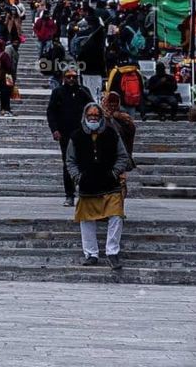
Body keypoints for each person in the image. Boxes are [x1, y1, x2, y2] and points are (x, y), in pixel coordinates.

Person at [66, 102, 128, 269]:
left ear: (101, 118)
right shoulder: (76, 136)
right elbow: (70, 161)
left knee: (116, 216)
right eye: (90, 116)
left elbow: (123, 157)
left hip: (110, 184)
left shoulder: (111, 134)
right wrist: (78, 177)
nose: (93, 119)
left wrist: (114, 173)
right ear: (85, 117)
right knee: (86, 219)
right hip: (88, 184)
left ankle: (112, 252)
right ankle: (91, 253)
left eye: (96, 116)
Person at [46, 65, 93, 206]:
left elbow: (92, 108)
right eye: (68, 77)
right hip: (65, 134)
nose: (71, 79)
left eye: (74, 77)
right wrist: (54, 129)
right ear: (63, 78)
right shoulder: (57, 92)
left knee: (85, 163)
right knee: (68, 164)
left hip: (83, 134)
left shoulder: (83, 91)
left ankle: (85, 193)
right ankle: (69, 194)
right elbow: (51, 112)